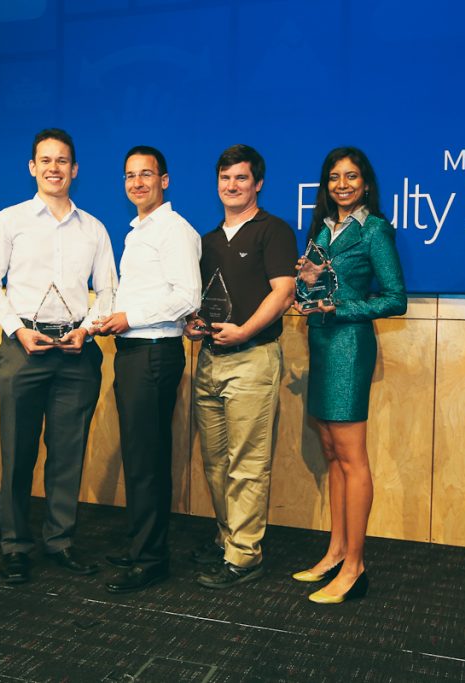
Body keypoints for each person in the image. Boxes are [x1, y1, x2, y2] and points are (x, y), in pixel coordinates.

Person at [0, 128, 116, 584]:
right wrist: (15, 328)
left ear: (75, 169)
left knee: (67, 454)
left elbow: (108, 291)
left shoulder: (94, 228)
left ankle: (60, 541)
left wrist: (87, 328)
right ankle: (15, 545)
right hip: (24, 349)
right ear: (32, 167)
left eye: (63, 161)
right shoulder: (9, 220)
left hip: (77, 352)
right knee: (17, 452)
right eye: (46, 160)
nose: (54, 168)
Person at [292, 146, 406, 604]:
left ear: (366, 183)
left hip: (350, 347)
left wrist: (340, 307)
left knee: (352, 456)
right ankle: (336, 551)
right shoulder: (322, 229)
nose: (342, 184)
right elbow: (314, 289)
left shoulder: (374, 229)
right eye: (335, 177)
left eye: (351, 176)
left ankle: (355, 566)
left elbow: (395, 298)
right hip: (321, 344)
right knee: (332, 452)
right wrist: (307, 281)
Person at [184, 144, 297, 590]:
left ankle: (245, 555)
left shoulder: (274, 231)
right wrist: (195, 325)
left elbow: (283, 292)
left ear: (258, 183)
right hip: (210, 360)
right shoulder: (207, 241)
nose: (232, 186)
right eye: (225, 178)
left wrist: (245, 331)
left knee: (247, 463)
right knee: (215, 461)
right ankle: (227, 537)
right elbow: (201, 300)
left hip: (253, 360)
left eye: (241, 178)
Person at [94, 146, 202, 593]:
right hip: (135, 352)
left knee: (147, 460)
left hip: (154, 352)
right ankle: (142, 545)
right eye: (130, 175)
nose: (137, 183)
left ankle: (151, 559)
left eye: (146, 174)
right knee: (141, 456)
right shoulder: (139, 231)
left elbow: (188, 296)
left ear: (165, 180)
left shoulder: (173, 230)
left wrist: (129, 318)